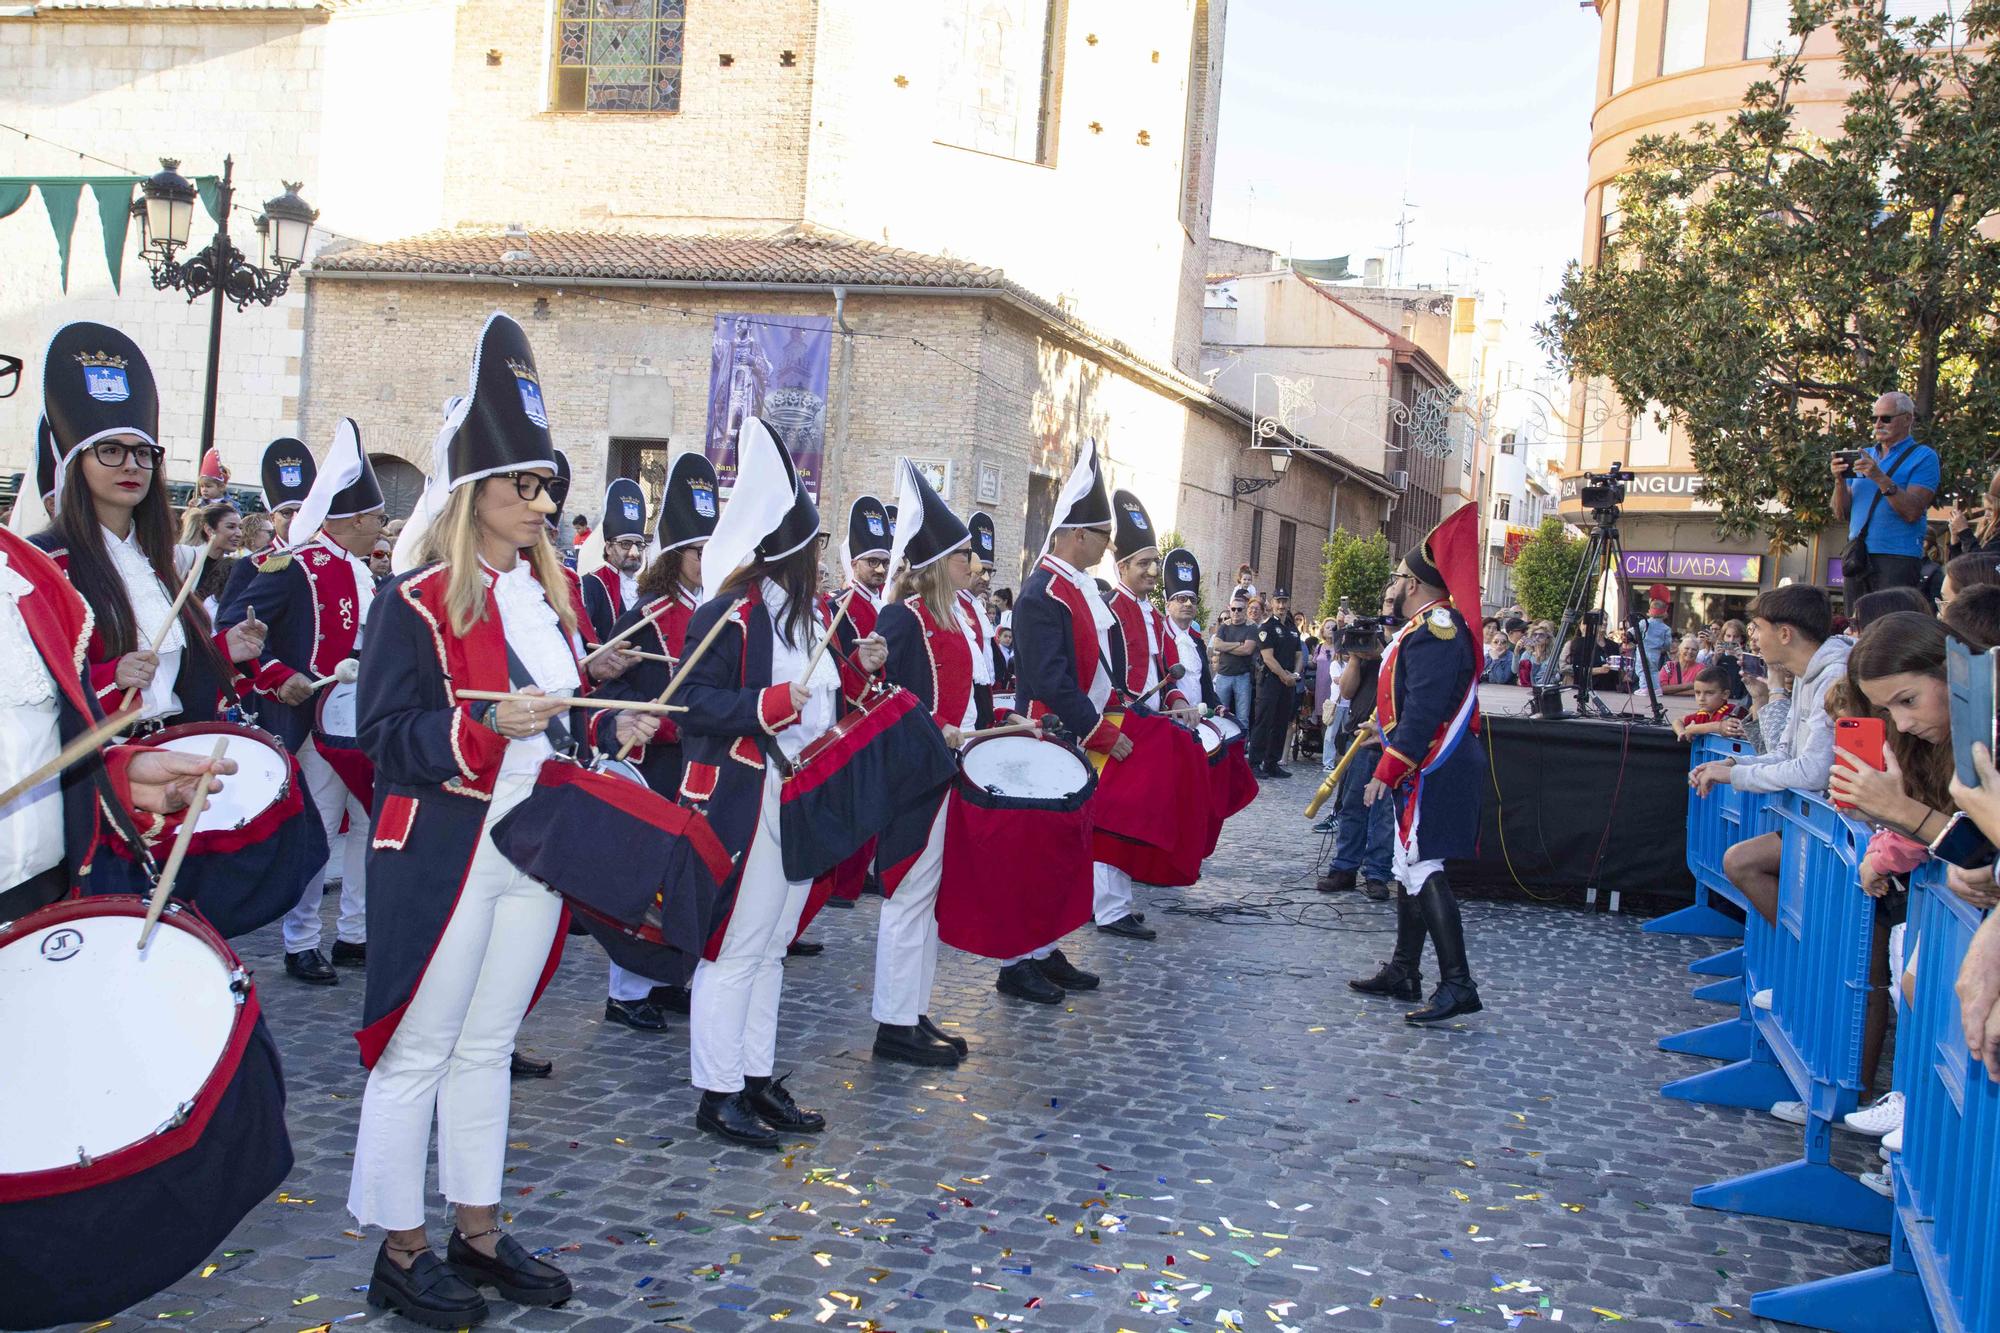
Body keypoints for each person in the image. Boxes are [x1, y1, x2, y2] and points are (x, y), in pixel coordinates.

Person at [348, 312, 656, 1325]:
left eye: (546, 485)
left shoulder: (543, 595)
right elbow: (387, 734)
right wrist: (481, 731)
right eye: (523, 484)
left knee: (486, 1046)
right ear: (472, 491)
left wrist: (599, 710)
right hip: (445, 844)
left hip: (532, 842)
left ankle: (475, 1231)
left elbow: (549, 724)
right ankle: (399, 1248)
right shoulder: (417, 596)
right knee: (418, 1050)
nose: (541, 501)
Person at [674, 419, 887, 1148]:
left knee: (769, 947)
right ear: (788, 554)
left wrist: (860, 668)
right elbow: (689, 704)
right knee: (734, 947)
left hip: (799, 795)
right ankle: (717, 1090)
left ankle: (755, 1077)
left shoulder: (813, 616)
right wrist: (766, 706)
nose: (824, 561)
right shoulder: (729, 614)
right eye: (815, 548)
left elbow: (821, 699)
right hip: (747, 794)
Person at [30, 321, 266, 730]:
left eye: (143, 453)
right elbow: (25, 683)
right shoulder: (46, 562)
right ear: (74, 464)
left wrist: (223, 650)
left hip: (172, 746)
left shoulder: (154, 560)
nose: (131, 465)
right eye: (110, 451)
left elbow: (175, 680)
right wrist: (108, 679)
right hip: (103, 765)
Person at [0, 524, 241, 922]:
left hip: (46, 890)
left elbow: (40, 734)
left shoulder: (26, 568)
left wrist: (118, 773)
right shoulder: (50, 558)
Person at [217, 420, 385, 986]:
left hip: (362, 720)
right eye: (378, 518)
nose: (383, 529)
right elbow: (231, 629)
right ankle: (301, 940)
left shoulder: (366, 571)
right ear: (356, 518)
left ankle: (355, 933)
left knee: (366, 824)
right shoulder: (289, 565)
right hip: (311, 721)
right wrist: (277, 674)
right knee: (316, 828)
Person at [593, 451, 722, 1029]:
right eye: (699, 550)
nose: (707, 560)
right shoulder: (649, 611)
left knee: (684, 878)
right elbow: (605, 687)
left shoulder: (717, 611)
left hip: (696, 762)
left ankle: (670, 976)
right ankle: (626, 991)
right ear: (676, 555)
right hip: (652, 762)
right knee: (644, 878)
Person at [999, 438, 1127, 1004]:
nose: (1107, 545)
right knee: (1028, 856)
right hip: (1043, 734)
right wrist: (1101, 731)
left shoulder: (1072, 588)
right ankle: (1016, 960)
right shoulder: (1040, 594)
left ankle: (1044, 947)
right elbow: (1051, 680)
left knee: (1057, 854)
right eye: (1103, 535)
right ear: (1078, 534)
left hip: (1068, 736)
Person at [1346, 507, 1486, 1024]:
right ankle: (1406, 971)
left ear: (1414, 584)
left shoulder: (1437, 629)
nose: (1395, 585)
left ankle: (1458, 984)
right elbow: (1410, 702)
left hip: (1435, 765)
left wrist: (1387, 768)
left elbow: (1427, 710)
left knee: (1424, 866)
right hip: (1423, 761)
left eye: (1399, 577)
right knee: (1409, 867)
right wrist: (1381, 733)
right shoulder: (1425, 627)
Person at [869, 459, 982, 1066]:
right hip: (913, 777)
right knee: (907, 895)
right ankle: (892, 1021)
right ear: (940, 563)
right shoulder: (902, 618)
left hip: (945, 771)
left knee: (926, 897)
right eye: (965, 555)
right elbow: (884, 699)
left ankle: (912, 1009)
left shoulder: (953, 618)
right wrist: (938, 730)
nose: (974, 564)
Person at [1694, 585, 1852, 929]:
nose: (1753, 638)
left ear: (1784, 633)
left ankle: (1808, 960)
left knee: (1742, 863)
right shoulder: (1810, 674)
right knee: (1740, 861)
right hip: (1815, 821)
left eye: (1758, 628)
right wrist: (1733, 764)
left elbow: (1813, 771)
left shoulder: (1834, 674)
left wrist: (1734, 775)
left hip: (1837, 826)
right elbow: (1784, 752)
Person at [1096, 488, 1190, 941]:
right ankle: (1106, 907)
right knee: (1114, 817)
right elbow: (1099, 673)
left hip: (1149, 724)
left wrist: (1175, 701)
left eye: (1155, 563)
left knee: (1135, 816)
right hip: (1117, 722)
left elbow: (1167, 670)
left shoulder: (1155, 616)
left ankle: (1119, 902)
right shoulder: (1107, 610)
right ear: (1121, 569)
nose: (1153, 571)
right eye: (1143, 564)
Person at [1831, 390, 1939, 603]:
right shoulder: (1865, 455)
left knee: (1889, 627)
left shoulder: (1924, 456)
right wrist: (1839, 481)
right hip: (1857, 556)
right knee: (1856, 627)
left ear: (1907, 419)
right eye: (1874, 418)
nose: (1878, 424)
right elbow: (1841, 513)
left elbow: (1912, 511)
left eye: (1886, 418)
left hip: (1897, 556)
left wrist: (1879, 476)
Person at [1317, 618, 1392, 901]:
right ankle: (1345, 868)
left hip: (1390, 739)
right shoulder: (1364, 648)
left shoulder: (1403, 647)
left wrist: (1380, 653)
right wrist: (1356, 657)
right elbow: (1347, 691)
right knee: (1351, 807)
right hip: (1359, 735)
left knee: (1383, 813)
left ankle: (1377, 873)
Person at [579, 477, 648, 643]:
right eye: (625, 544)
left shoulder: (646, 587)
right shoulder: (591, 584)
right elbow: (585, 636)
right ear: (608, 548)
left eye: (638, 545)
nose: (634, 552)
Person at [1249, 588, 1302, 778]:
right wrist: (1284, 676)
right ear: (1272, 603)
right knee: (1264, 721)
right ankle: (1254, 762)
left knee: (1281, 723)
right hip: (1270, 680)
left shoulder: (1292, 628)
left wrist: (1295, 674)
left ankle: (1272, 763)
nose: (1281, 605)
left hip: (1287, 682)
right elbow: (1268, 658)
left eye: (1284, 601)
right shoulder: (1267, 627)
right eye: (1278, 601)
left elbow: (1299, 655)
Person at [1210, 597, 1257, 722]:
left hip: (1243, 677)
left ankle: (1243, 742)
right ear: (1230, 609)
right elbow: (1217, 645)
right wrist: (1239, 644)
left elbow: (1247, 650)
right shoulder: (1224, 626)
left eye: (1240, 609)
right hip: (1223, 675)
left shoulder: (1251, 627)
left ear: (1245, 610)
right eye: (1233, 609)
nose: (1236, 612)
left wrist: (1226, 647)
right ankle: (1222, 741)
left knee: (1242, 717)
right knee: (1220, 715)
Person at [1672, 666, 1743, 742]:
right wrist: (1682, 732)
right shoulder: (1702, 714)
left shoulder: (1731, 710)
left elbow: (1724, 726)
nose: (1701, 698)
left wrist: (1693, 729)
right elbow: (1677, 721)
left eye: (1709, 693)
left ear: (1725, 694)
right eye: (1697, 693)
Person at [1946, 464, 2000, 562]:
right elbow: (1959, 570)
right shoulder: (1988, 531)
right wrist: (1955, 541)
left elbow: (1981, 565)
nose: (1986, 515)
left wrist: (1964, 532)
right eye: (1986, 509)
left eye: (1991, 510)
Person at [1564, 612, 1619, 695]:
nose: (1604, 622)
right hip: (1588, 691)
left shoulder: (1613, 645)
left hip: (1611, 691)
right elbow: (1576, 670)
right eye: (1601, 619)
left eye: (1605, 619)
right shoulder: (1580, 643)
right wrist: (1599, 670)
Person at [1636, 598, 1674, 694]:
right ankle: (1656, 688)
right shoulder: (1666, 628)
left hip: (1643, 650)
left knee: (1642, 669)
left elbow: (1634, 631)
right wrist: (1664, 649)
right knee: (1653, 670)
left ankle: (1644, 688)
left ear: (1650, 611)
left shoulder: (1644, 623)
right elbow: (1667, 644)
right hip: (1656, 652)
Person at [1483, 616, 1527, 685]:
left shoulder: (1510, 657)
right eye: (1496, 642)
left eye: (1503, 642)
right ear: (1491, 644)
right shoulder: (1487, 656)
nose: (1499, 644)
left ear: (1507, 645)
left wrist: (1496, 660)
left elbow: (1501, 679)